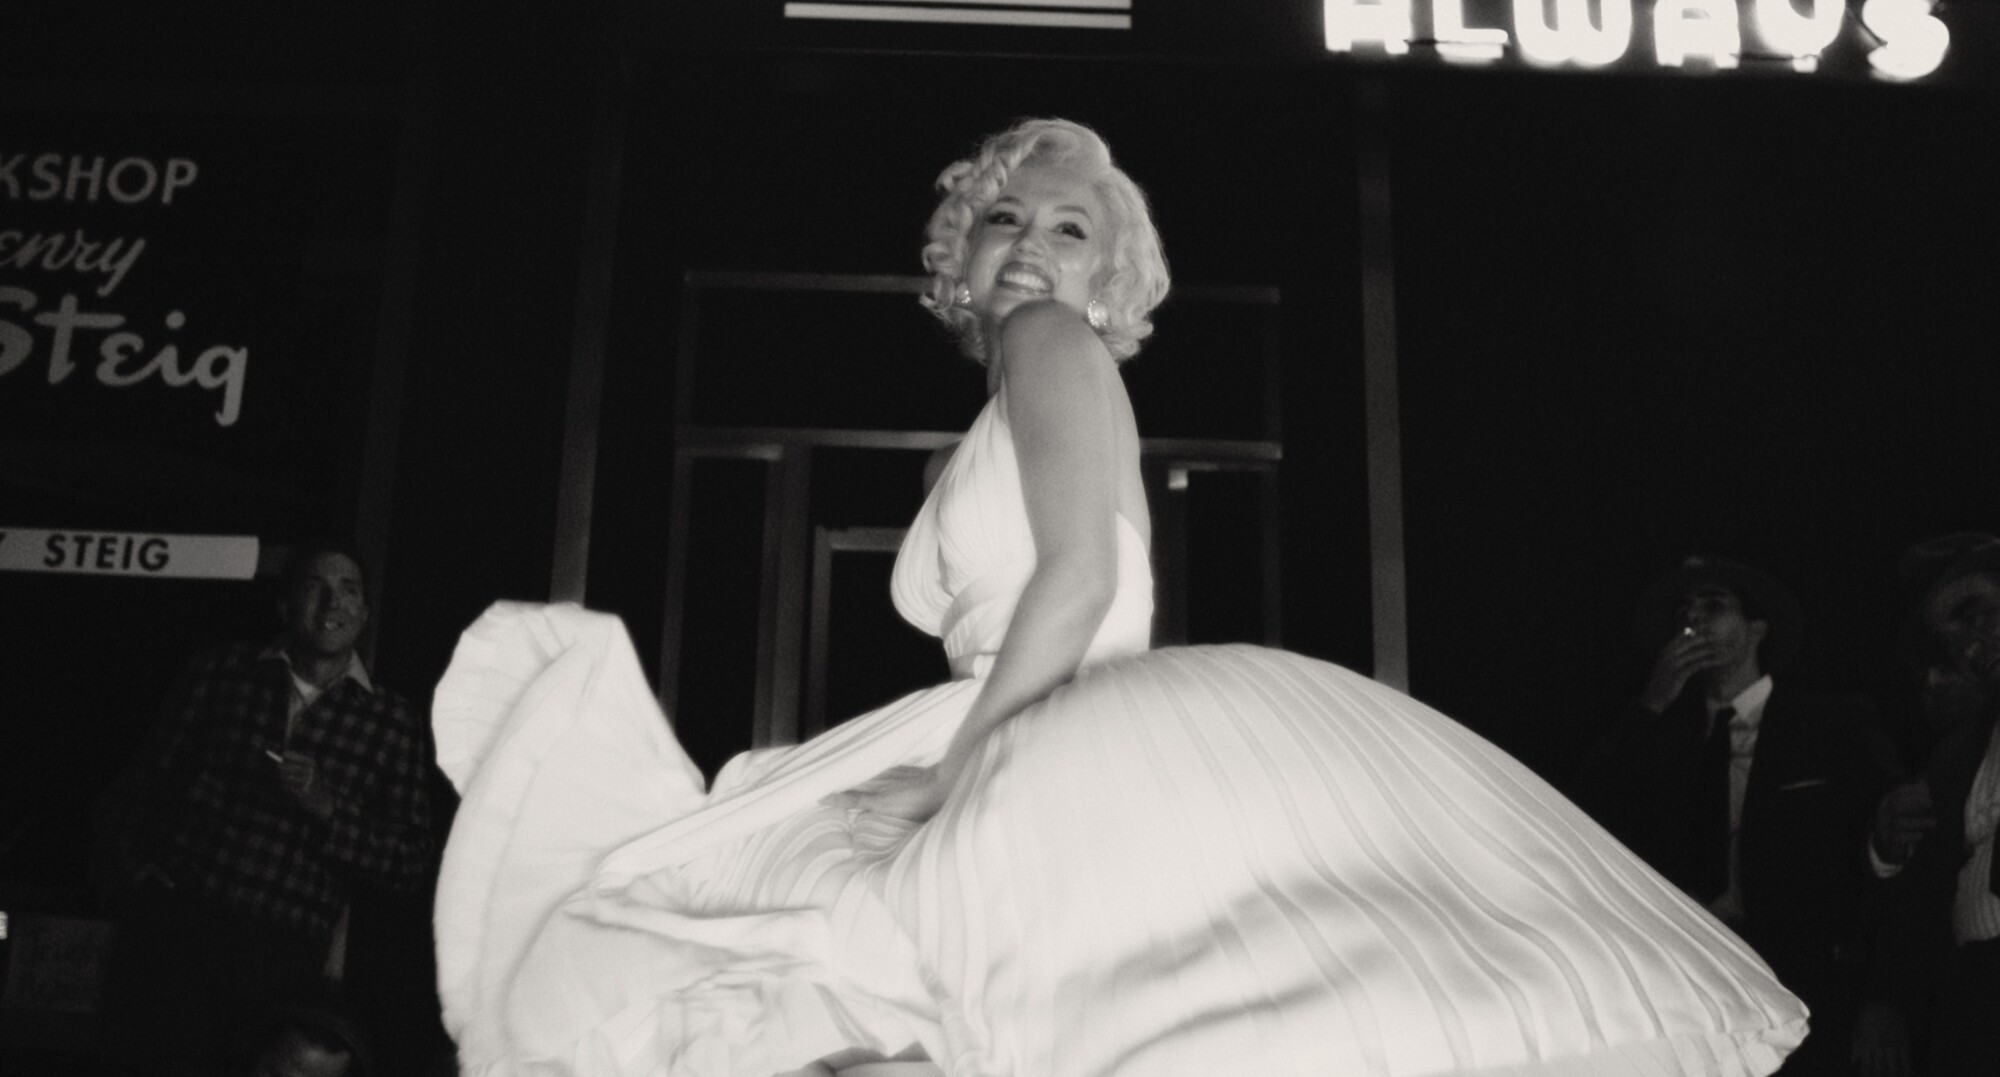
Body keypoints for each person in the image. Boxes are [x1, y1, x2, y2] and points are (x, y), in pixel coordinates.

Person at [432, 119, 1809, 1077]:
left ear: (1109, 277)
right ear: (957, 253)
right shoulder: (1014, 386)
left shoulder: (1048, 344)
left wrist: (959, 775)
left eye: (1069, 227)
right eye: (1002, 218)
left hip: (1050, 730)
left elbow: (1082, 576)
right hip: (1051, 728)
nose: (1029, 245)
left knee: (877, 1002)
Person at [93, 540, 437, 1077]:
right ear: (284, 606)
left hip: (283, 956)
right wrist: (140, 887)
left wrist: (329, 809)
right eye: (314, 587)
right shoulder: (222, 673)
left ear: (364, 613)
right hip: (179, 927)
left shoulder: (390, 721)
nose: (332, 604)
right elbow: (137, 790)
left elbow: (410, 862)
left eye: (348, 590)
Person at [1572, 557, 1903, 1075]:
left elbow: (1892, 852)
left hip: (1808, 985)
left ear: (1757, 628)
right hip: (1694, 984)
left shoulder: (1829, 722)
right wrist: (1652, 706)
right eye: (1685, 611)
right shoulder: (1666, 736)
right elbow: (1587, 814)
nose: (1693, 622)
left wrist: (1885, 996)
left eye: (1713, 606)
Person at [1862, 533, 2000, 1077]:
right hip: (1974, 1003)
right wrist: (1886, 851)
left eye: (1977, 613)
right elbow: (1919, 893)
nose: (1969, 646)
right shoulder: (1956, 755)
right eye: (1952, 638)